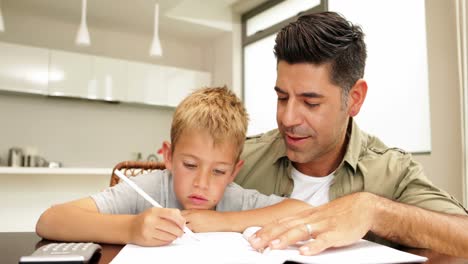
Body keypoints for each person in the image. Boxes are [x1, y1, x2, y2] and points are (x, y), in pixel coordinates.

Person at [234, 12, 468, 257]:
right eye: (282, 98)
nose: (288, 118)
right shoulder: (239, 160)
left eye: (311, 103)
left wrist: (375, 211)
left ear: (355, 98)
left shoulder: (392, 172)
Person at [35, 86, 310, 247]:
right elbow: (50, 220)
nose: (202, 183)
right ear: (168, 157)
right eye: (190, 164)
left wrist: (223, 221)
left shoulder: (234, 198)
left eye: (218, 171)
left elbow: (304, 212)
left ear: (234, 172)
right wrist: (131, 228)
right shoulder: (148, 189)